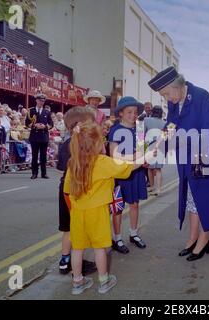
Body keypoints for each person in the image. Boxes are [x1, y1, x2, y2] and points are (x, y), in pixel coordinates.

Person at [148, 66, 209, 261]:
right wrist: (159, 143)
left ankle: (204, 240)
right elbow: (171, 125)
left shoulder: (202, 96)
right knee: (191, 195)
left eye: (166, 94)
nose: (166, 99)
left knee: (204, 196)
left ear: (177, 85)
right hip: (190, 155)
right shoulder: (175, 102)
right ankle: (192, 238)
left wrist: (181, 140)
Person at [63, 120, 156, 295]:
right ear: (97, 144)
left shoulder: (73, 163)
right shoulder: (103, 162)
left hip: (77, 213)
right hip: (97, 212)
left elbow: (67, 191)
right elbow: (130, 166)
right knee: (100, 248)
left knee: (77, 248)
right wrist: (147, 156)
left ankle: (77, 282)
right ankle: (104, 281)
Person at [56, 107, 97, 276]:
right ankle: (76, 263)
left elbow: (60, 168)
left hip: (65, 189)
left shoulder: (66, 143)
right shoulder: (84, 144)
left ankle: (65, 261)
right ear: (80, 124)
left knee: (68, 229)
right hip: (78, 190)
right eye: (91, 122)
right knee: (78, 228)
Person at [108, 97, 147, 254]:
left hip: (136, 172)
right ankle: (117, 238)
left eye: (135, 112)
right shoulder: (115, 130)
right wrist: (134, 157)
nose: (133, 115)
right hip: (120, 174)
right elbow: (113, 154)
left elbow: (143, 150)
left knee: (135, 204)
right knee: (118, 207)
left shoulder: (140, 129)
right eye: (129, 112)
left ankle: (133, 233)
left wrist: (146, 158)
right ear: (121, 113)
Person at [25, 93, 53, 179]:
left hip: (44, 136)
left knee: (43, 156)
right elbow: (27, 123)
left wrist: (45, 126)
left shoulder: (47, 112)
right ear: (36, 100)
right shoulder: (31, 111)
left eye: (43, 101)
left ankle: (44, 173)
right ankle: (34, 173)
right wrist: (34, 126)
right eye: (40, 100)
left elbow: (51, 123)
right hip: (34, 136)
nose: (42, 102)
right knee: (34, 156)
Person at [144, 106, 166, 196]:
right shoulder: (165, 122)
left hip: (149, 146)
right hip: (160, 146)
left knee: (149, 168)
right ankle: (158, 189)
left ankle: (152, 187)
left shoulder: (146, 120)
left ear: (152, 112)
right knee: (158, 169)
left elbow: (142, 133)